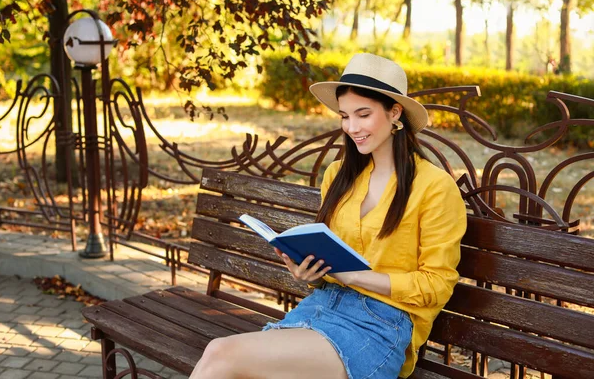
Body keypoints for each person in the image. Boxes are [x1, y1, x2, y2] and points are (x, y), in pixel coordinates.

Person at [189, 53, 467, 379]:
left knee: (221, 354)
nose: (352, 128)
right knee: (225, 360)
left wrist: (355, 278)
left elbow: (437, 284)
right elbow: (331, 255)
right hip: (320, 307)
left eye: (363, 115)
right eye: (345, 116)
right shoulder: (338, 175)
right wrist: (310, 271)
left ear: (395, 113)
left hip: (380, 324)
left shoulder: (434, 187)